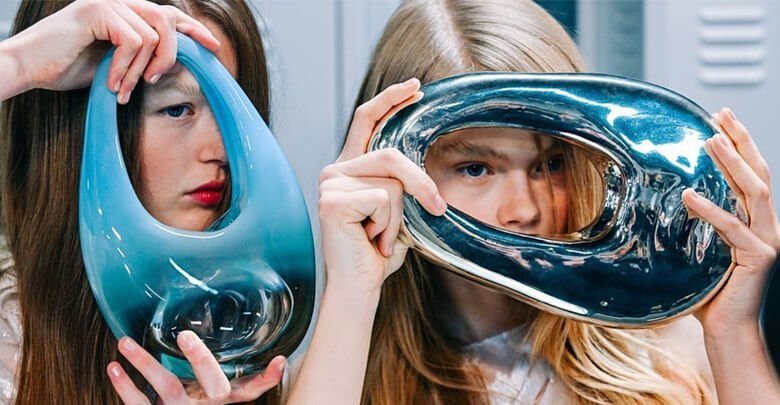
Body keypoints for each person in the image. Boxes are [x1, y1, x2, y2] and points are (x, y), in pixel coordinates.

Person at [288, 0, 780, 404]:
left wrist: (732, 335)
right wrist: (352, 291)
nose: (524, 209)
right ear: (395, 172)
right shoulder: (336, 373)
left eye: (551, 164)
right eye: (476, 168)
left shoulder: (673, 355)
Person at [0, 0, 284, 403]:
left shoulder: (252, 327)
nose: (222, 150)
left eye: (238, 116)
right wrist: (19, 64)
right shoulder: (10, 343)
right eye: (177, 109)